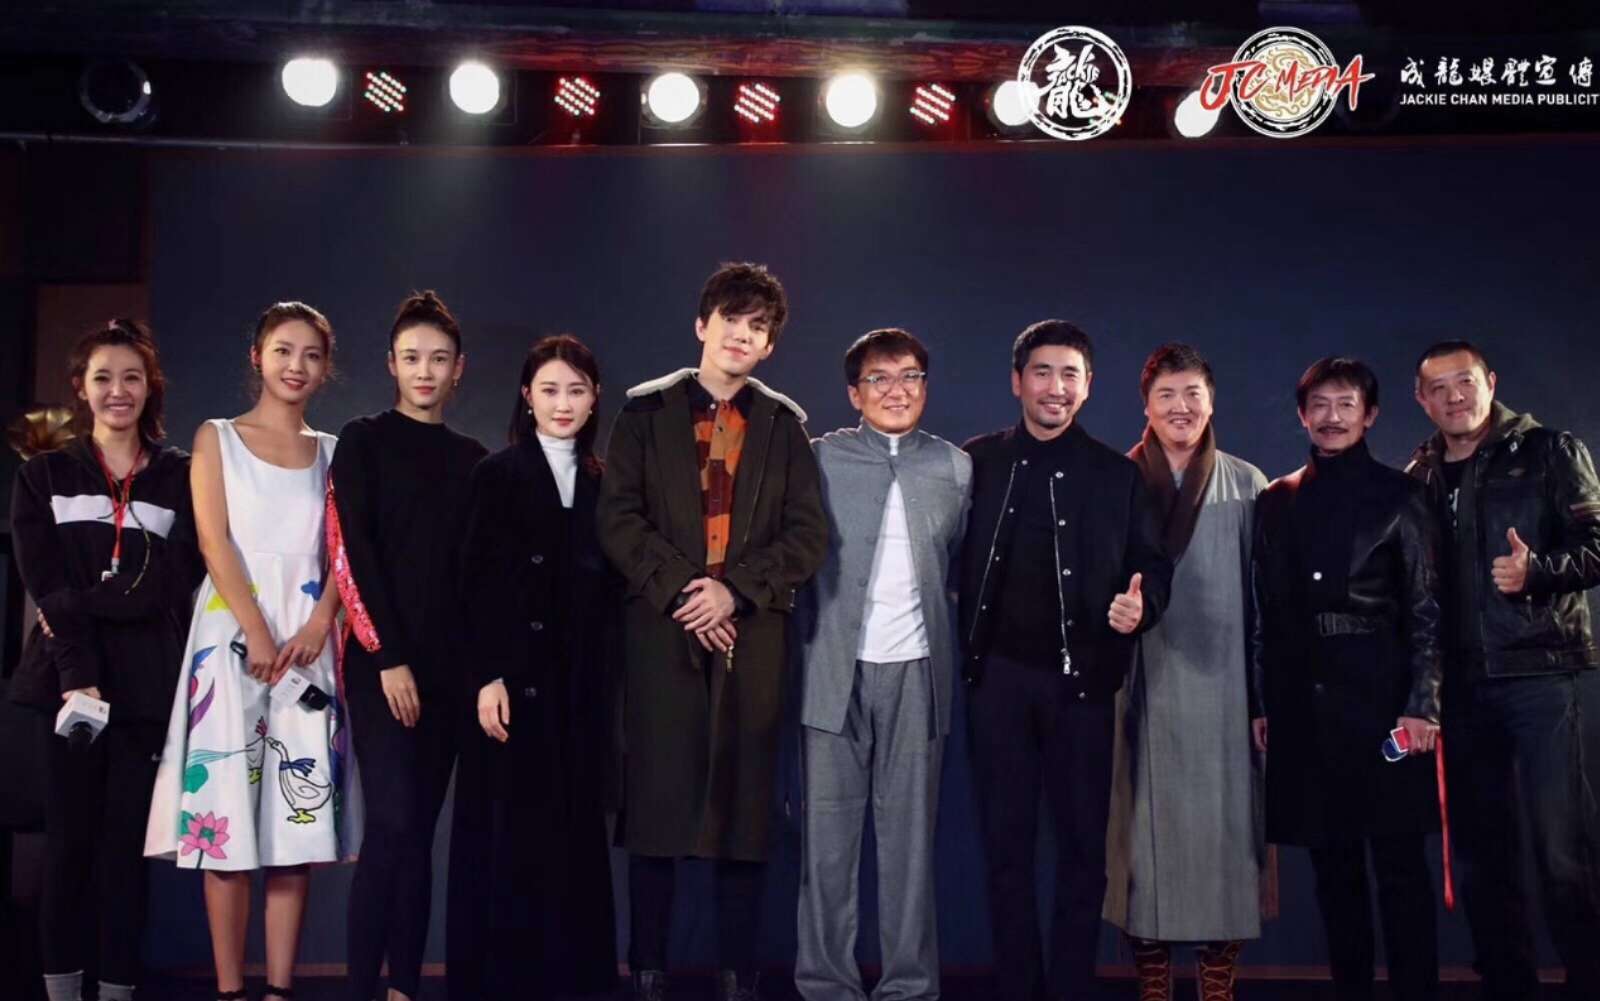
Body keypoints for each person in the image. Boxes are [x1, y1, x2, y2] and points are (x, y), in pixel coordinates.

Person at [597, 262, 828, 1001]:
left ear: (769, 345)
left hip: (750, 638)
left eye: (758, 327)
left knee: (745, 816)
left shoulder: (784, 426)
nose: (742, 335)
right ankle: (648, 971)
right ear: (703, 324)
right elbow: (618, 518)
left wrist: (734, 593)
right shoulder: (645, 414)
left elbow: (806, 534)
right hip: (661, 633)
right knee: (656, 811)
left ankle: (739, 977)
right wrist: (682, 591)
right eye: (732, 319)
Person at [145, 301, 359, 1001]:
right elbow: (214, 540)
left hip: (309, 640)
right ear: (257, 357)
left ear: (326, 368)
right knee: (226, 820)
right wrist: (256, 631)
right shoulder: (217, 437)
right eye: (283, 351)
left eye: (311, 355)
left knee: (297, 828)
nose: (296, 366)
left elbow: (346, 551)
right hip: (230, 633)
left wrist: (320, 622)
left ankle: (280, 988)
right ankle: (231, 988)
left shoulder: (336, 451)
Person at [959, 319, 1172, 1001]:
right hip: (996, 682)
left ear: (1088, 386)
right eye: (1042, 372)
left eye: (1069, 375)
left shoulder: (1118, 474)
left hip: (1083, 686)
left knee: (1083, 854)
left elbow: (1151, 566)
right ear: (1017, 380)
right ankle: (1019, 987)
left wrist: (1143, 607)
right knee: (1005, 852)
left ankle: (1072, 987)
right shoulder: (977, 463)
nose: (1055, 387)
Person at [10, 320, 203, 1001]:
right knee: (68, 847)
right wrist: (79, 674)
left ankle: (119, 991)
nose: (118, 390)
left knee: (125, 853)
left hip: (146, 688)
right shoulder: (44, 474)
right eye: (103, 378)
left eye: (131, 377)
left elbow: (172, 584)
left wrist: (84, 602)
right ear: (81, 388)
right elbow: (44, 586)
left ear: (150, 387)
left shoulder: (181, 475)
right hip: (67, 687)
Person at [1407, 340, 1600, 999]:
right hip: (1461, 688)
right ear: (1422, 400)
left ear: (1490, 381)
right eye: (1438, 388)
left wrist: (1538, 571)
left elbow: (1598, 543)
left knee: (1563, 852)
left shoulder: (1549, 451)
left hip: (1541, 675)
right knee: (1484, 859)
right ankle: (1509, 985)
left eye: (1464, 381)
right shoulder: (1421, 473)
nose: (1454, 396)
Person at [1250, 357, 1443, 1001]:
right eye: (1320, 406)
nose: (1332, 418)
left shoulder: (1402, 495)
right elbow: (1264, 612)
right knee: (1333, 870)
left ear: (1370, 414)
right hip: (1304, 706)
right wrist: (1263, 702)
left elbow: (1426, 608)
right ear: (1302, 415)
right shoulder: (1276, 500)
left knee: (1399, 866)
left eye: (1346, 405)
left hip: (1385, 704)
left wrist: (1423, 705)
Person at [795, 329, 970, 1001]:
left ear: (926, 385)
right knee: (826, 844)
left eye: (910, 377)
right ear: (854, 393)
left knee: (910, 847)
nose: (897, 390)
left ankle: (909, 986)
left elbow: (960, 564)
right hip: (832, 674)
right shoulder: (819, 458)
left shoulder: (955, 467)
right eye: (879, 378)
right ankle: (826, 985)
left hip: (919, 675)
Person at [447, 334, 621, 1000]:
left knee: (576, 842)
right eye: (549, 390)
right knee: (509, 842)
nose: (562, 403)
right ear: (527, 396)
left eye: (576, 390)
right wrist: (485, 676)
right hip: (512, 685)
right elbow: (471, 585)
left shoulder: (607, 481)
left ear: (594, 398)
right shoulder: (496, 474)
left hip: (582, 686)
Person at [327, 291, 486, 1001]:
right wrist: (388, 655)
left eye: (439, 359)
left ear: (459, 369)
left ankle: (404, 989)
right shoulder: (362, 440)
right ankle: (362, 988)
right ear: (391, 364)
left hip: (449, 674)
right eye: (412, 357)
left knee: (419, 833)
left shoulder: (473, 459)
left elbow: (476, 576)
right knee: (389, 824)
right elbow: (354, 554)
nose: (425, 371)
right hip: (381, 665)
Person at [1104, 343, 1267, 1001]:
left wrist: (1262, 695)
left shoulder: (1248, 484)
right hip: (1137, 682)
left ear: (1211, 400)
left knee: (1226, 830)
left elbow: (1268, 604)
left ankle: (1217, 974)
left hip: (1225, 683)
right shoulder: (1114, 480)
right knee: (1137, 832)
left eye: (1192, 393)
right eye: (1166, 395)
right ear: (1145, 405)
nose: (1181, 407)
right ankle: (1151, 974)